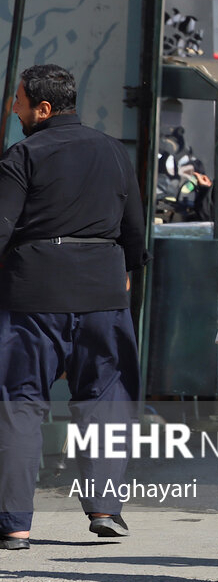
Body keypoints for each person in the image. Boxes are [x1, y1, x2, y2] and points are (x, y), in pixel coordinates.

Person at [0, 65, 147, 550]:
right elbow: (134, 231)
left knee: (20, 404)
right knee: (106, 399)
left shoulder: (22, 155)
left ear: (42, 109)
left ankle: (15, 525)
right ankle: (105, 509)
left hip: (33, 295)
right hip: (104, 293)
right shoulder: (114, 152)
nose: (13, 110)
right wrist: (117, 275)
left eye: (18, 102)